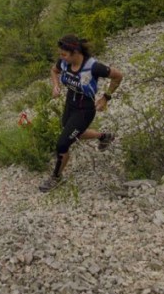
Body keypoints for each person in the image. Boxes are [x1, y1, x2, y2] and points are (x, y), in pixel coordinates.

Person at [39, 34, 123, 193]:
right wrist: (56, 86)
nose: (61, 57)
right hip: (70, 103)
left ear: (75, 52)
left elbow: (118, 76)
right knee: (72, 133)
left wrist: (106, 97)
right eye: (60, 54)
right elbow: (54, 70)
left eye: (64, 54)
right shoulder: (64, 63)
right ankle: (104, 136)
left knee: (62, 144)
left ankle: (56, 177)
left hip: (85, 109)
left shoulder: (93, 67)